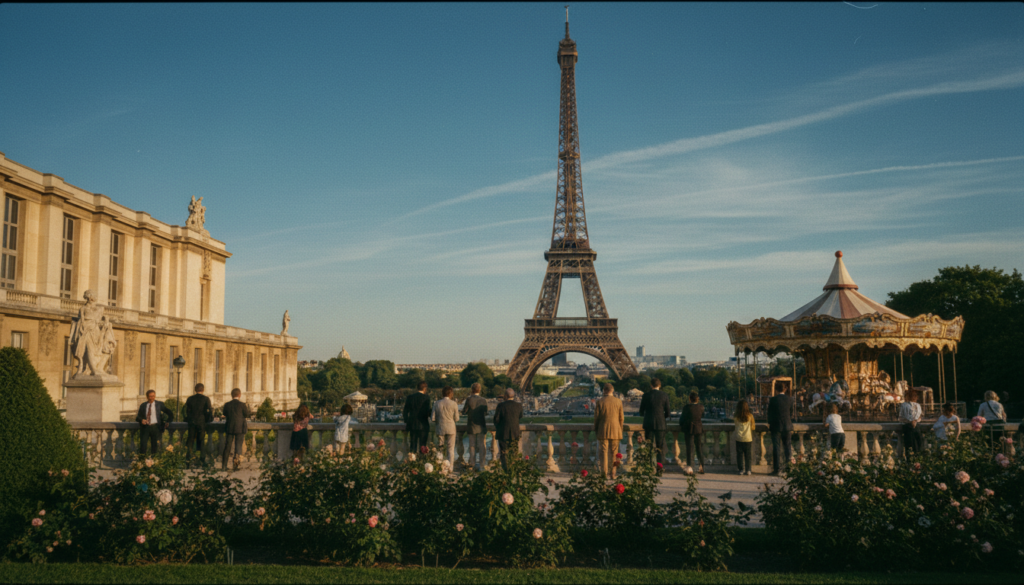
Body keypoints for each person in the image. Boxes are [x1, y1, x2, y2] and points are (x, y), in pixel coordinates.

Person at [593, 383, 624, 479]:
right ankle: (613, 473)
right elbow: (621, 418)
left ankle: (604, 473)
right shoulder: (618, 401)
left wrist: (596, 429)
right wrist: (620, 429)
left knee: (603, 453)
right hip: (615, 429)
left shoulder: (600, 402)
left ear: (604, 390)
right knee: (614, 454)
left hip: (603, 429)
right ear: (612, 390)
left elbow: (596, 418)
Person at [638, 378, 670, 466]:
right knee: (660, 447)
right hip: (660, 423)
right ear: (660, 385)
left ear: (651, 385)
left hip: (648, 422)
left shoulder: (646, 395)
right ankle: (659, 467)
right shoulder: (664, 395)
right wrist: (662, 417)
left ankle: (650, 466)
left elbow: (641, 411)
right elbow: (668, 412)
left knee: (649, 446)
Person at [493, 388, 523, 471]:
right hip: (515, 432)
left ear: (505, 396)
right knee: (514, 452)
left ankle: (506, 469)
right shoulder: (519, 405)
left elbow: (496, 419)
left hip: (503, 432)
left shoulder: (501, 405)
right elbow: (520, 416)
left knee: (504, 453)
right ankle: (514, 468)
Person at [135, 390, 172, 455]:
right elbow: (137, 417)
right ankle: (142, 461)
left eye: (153, 396)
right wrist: (141, 420)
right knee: (143, 446)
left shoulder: (159, 404)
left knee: (155, 447)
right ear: (147, 397)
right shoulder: (143, 405)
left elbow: (170, 413)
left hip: (156, 428)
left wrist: (168, 421)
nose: (152, 398)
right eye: (150, 396)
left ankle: (154, 462)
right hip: (145, 428)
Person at [767, 386, 794, 475]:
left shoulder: (773, 400)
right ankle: (788, 468)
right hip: (787, 426)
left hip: (776, 426)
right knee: (787, 447)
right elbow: (791, 413)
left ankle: (776, 469)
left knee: (776, 448)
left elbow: (769, 413)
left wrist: (770, 422)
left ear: (776, 390)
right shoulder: (789, 399)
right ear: (785, 389)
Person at [221, 388, 250, 470]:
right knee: (238, 447)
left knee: (227, 446)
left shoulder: (227, 404)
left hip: (229, 427)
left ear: (231, 395)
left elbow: (225, 413)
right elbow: (247, 414)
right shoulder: (242, 405)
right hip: (240, 427)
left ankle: (224, 466)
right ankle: (235, 465)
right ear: (239, 395)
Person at [462, 382, 489, 471]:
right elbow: (485, 413)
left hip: (471, 425)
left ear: (472, 390)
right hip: (481, 425)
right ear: (479, 390)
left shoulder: (469, 399)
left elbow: (464, 411)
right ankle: (482, 464)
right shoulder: (483, 400)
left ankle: (472, 463)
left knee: (472, 446)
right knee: (482, 446)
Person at [432, 386, 461, 467]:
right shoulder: (454, 403)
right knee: (450, 449)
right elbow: (457, 418)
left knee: (440, 449)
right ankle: (450, 467)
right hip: (451, 428)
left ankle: (440, 467)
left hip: (440, 427)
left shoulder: (436, 403)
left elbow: (433, 418)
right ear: (451, 394)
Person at [184, 383, 213, 462]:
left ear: (195, 390)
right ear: (203, 390)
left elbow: (186, 410)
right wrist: (208, 420)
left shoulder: (190, 398)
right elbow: (209, 411)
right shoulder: (206, 399)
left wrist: (188, 419)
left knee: (191, 440)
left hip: (192, 422)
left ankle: (188, 458)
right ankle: (202, 459)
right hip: (201, 422)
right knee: (201, 440)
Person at [403, 382, 432, 455]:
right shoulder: (426, 398)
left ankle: (412, 462)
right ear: (425, 388)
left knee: (412, 446)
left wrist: (407, 421)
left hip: (412, 424)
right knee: (423, 447)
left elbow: (405, 411)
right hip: (423, 424)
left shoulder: (410, 397)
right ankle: (422, 463)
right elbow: (428, 412)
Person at [680, 392, 705, 473]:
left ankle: (690, 466)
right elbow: (702, 416)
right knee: (699, 448)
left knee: (689, 448)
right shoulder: (701, 407)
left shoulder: (687, 407)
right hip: (698, 428)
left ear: (690, 399)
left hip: (689, 429)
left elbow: (682, 419)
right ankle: (701, 466)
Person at [899, 389, 924, 460]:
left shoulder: (916, 405)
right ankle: (914, 461)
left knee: (914, 444)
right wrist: (912, 421)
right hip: (910, 426)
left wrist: (913, 421)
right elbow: (902, 417)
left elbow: (901, 417)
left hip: (911, 425)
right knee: (912, 444)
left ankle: (914, 461)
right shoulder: (905, 405)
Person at [733, 400, 754, 476]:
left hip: (739, 437)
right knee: (748, 455)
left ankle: (741, 469)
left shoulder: (736, 417)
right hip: (748, 438)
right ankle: (748, 470)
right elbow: (753, 427)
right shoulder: (750, 416)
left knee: (739, 455)